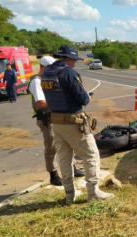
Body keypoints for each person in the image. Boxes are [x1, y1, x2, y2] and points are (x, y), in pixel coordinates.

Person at [41, 45, 114, 204]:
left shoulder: (46, 73)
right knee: (91, 155)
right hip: (73, 122)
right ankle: (93, 193)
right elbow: (83, 99)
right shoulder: (68, 73)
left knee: (65, 159)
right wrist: (87, 96)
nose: (75, 63)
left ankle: (69, 195)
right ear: (69, 58)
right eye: (74, 60)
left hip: (56, 122)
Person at [28, 56, 85, 186]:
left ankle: (73, 168)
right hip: (46, 119)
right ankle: (53, 174)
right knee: (52, 146)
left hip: (57, 117)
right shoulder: (36, 82)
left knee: (68, 143)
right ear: (44, 67)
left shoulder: (48, 78)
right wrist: (61, 102)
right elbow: (41, 103)